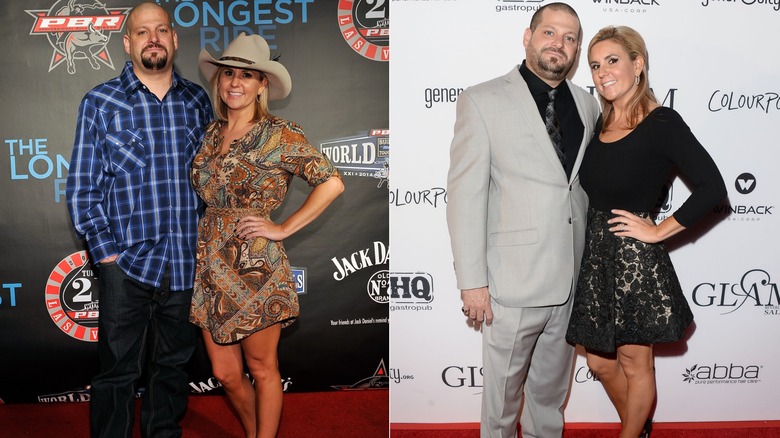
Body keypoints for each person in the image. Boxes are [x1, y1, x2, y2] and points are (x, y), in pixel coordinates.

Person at [446, 3, 600, 437]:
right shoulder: (482, 99)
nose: (559, 44)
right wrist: (472, 282)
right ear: (527, 36)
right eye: (549, 33)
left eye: (570, 38)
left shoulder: (587, 105)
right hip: (510, 285)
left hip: (570, 281)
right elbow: (464, 197)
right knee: (501, 404)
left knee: (549, 401)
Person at [565, 26, 727, 438]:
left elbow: (712, 188)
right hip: (596, 256)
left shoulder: (662, 122)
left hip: (634, 261)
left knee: (636, 364)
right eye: (596, 65)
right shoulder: (601, 120)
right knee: (600, 363)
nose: (602, 73)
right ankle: (638, 427)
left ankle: (630, 433)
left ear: (638, 64)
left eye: (613, 61)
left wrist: (657, 232)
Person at [65, 2, 212, 437]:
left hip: (185, 263)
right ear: (127, 43)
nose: (153, 38)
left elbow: (209, 179)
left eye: (161, 29)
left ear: (174, 39)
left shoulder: (197, 101)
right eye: (143, 31)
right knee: (117, 372)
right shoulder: (101, 102)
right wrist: (106, 256)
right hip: (125, 266)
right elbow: (82, 189)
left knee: (171, 370)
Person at [190, 33, 344, 438]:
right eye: (228, 74)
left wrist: (282, 227)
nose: (235, 83)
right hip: (209, 264)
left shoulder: (280, 133)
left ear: (263, 85)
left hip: (256, 268)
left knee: (262, 368)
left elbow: (331, 183)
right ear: (218, 81)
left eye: (247, 75)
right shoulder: (210, 133)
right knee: (225, 373)